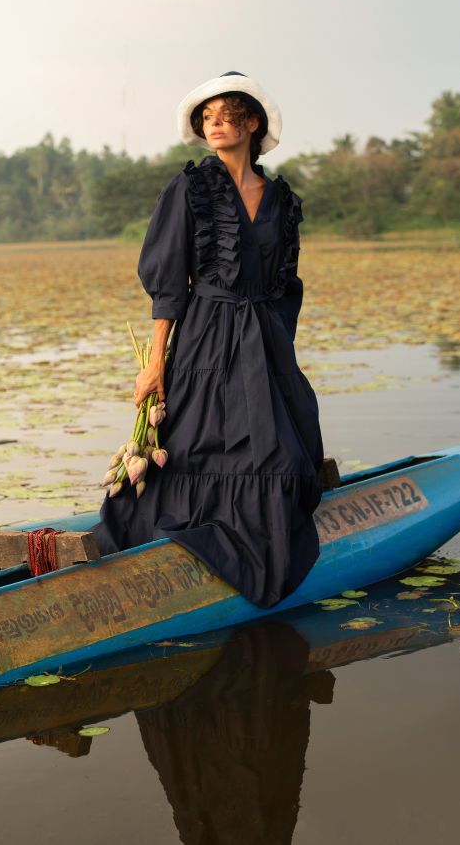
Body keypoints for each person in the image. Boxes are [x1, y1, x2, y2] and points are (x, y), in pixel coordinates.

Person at [93, 71, 324, 608]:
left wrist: (276, 356)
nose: (215, 125)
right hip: (203, 337)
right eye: (207, 118)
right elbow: (169, 285)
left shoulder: (282, 199)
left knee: (283, 453)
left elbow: (285, 284)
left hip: (264, 342)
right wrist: (155, 364)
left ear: (252, 124)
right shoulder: (189, 190)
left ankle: (262, 534)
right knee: (197, 445)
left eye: (226, 116)